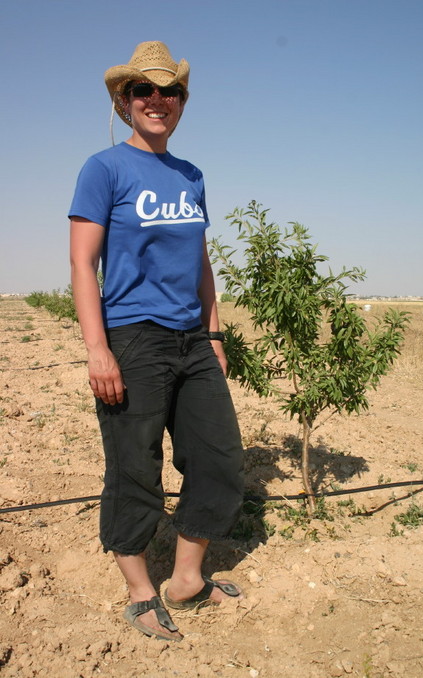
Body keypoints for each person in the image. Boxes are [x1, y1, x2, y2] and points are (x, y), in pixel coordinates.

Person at [69, 41, 244, 642]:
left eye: (169, 90)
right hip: (132, 337)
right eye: (144, 90)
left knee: (219, 457)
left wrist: (213, 331)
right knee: (133, 466)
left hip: (192, 337)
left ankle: (188, 579)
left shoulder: (191, 175)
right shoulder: (104, 168)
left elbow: (200, 261)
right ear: (125, 100)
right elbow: (82, 265)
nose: (157, 100)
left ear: (182, 102)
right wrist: (98, 347)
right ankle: (141, 592)